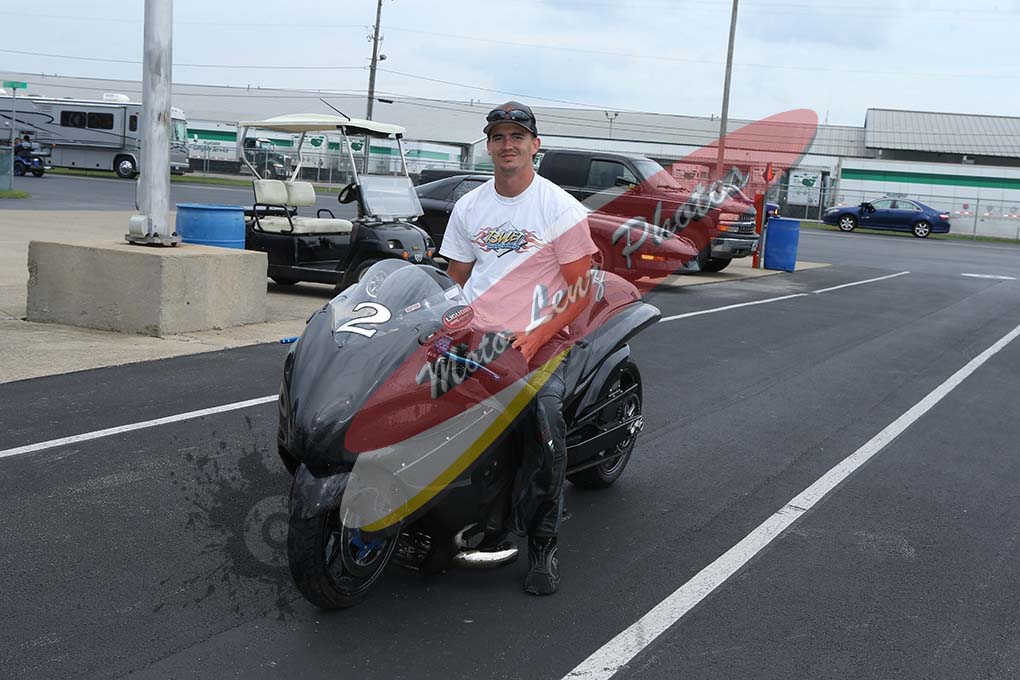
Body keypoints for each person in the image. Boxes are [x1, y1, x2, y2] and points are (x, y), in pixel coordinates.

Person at [439, 102, 597, 595]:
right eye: (499, 137)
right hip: (477, 336)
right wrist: (436, 324)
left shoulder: (558, 207)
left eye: (517, 136)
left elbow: (582, 289)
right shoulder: (469, 206)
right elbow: (455, 278)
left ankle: (543, 542)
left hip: (540, 339)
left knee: (543, 423)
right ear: (488, 146)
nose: (508, 144)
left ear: (535, 146)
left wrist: (536, 336)